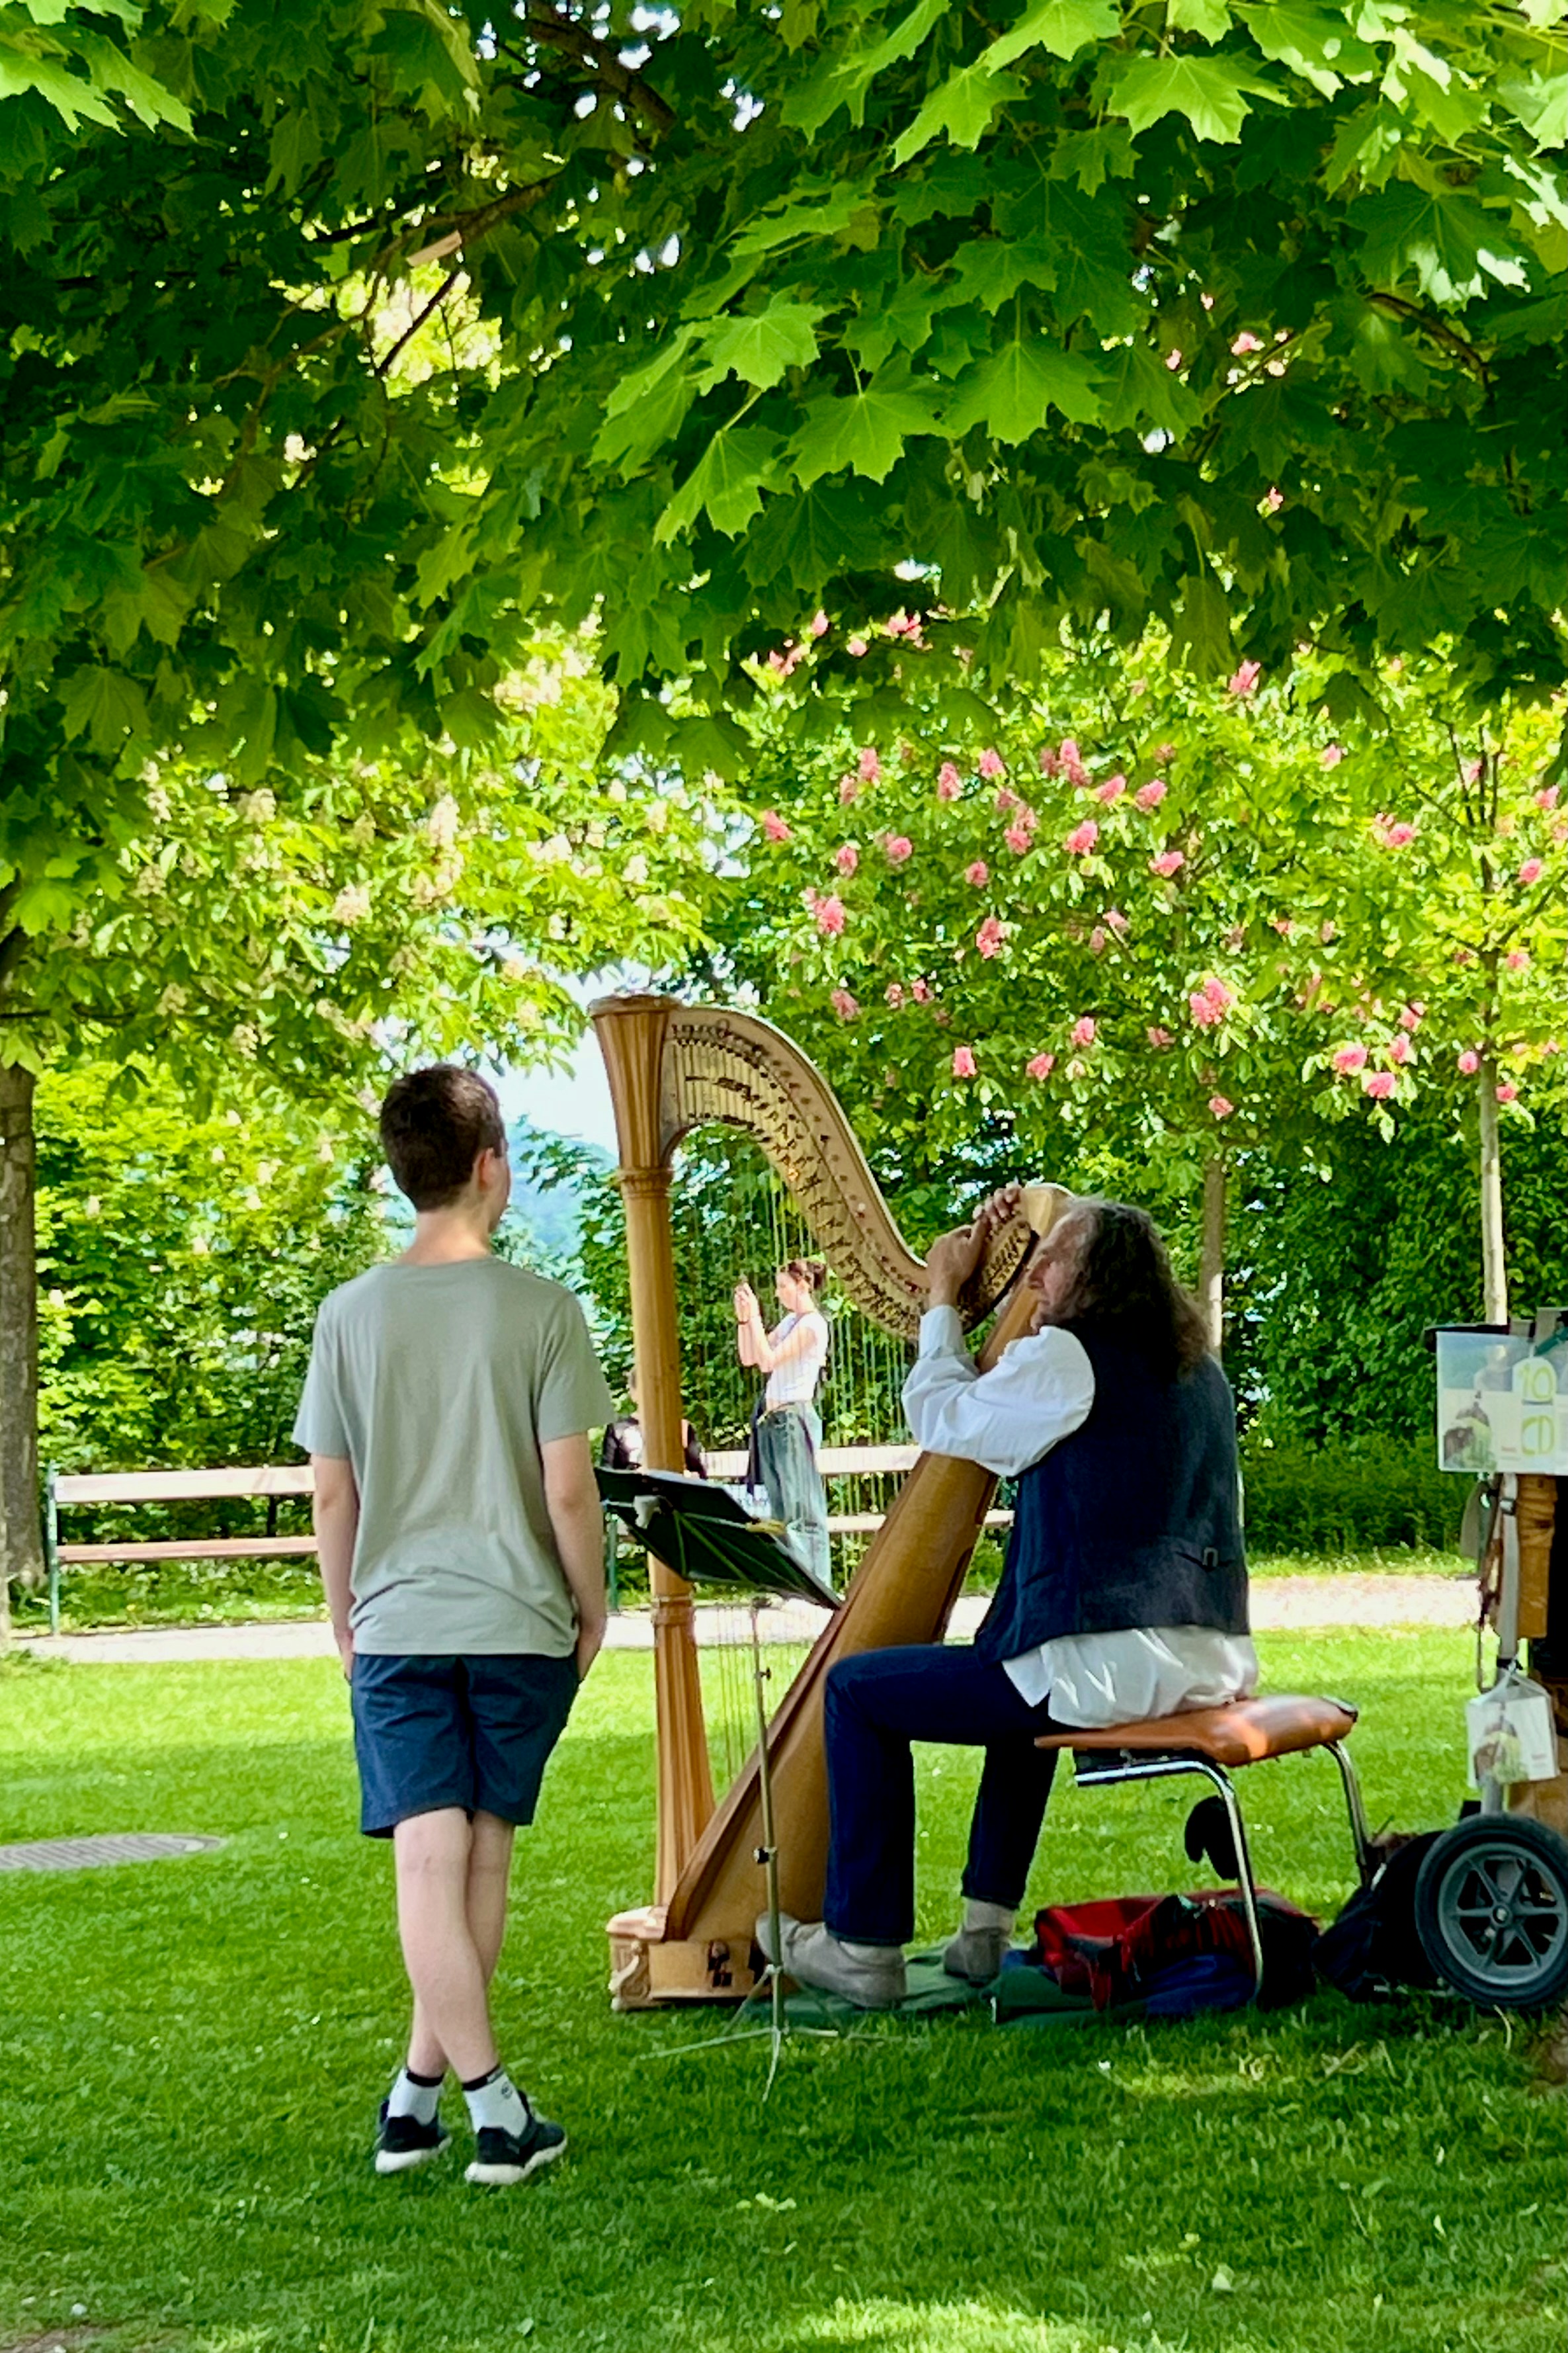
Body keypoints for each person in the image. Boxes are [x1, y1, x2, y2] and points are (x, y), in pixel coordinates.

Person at [759, 1185, 1257, 2009]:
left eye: (1053, 1255)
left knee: (856, 1690)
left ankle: (861, 1946)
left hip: (1108, 1659)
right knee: (1017, 1671)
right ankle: (983, 1931)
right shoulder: (1198, 1366)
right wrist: (1027, 1216)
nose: (1036, 1272)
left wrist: (942, 1297)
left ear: (1095, 1274)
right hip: (1213, 1656)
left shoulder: (1069, 1358)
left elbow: (939, 1415)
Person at [294, 1064, 614, 2182]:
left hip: (396, 1621)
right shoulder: (542, 1309)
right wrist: (595, 1599)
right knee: (478, 1862)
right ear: (492, 1167)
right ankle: (490, 2109)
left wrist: (344, 1616)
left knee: (435, 1861)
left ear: (403, 1171)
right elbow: (569, 1491)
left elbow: (334, 1494)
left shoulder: (347, 1314)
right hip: (519, 1620)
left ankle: (417, 2100)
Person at [734, 1258, 832, 1583]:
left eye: (782, 1286)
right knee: (778, 1509)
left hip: (794, 1419)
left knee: (801, 1508)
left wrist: (758, 1318)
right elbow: (750, 1356)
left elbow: (768, 1361)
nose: (778, 1294)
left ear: (803, 1285)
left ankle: (814, 1581)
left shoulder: (813, 1325)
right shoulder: (792, 1322)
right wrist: (745, 1321)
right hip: (773, 1420)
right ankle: (789, 1581)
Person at [600, 1365, 708, 1476]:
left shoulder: (682, 1428)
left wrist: (686, 1476)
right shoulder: (618, 1430)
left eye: (657, 1388)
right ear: (633, 1393)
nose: (652, 1394)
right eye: (646, 1388)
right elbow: (607, 1476)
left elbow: (700, 1474)